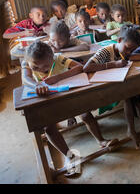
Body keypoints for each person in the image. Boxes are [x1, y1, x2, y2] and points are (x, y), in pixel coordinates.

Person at [22, 41, 117, 177]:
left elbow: (80, 68)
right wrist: (36, 85)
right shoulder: (26, 63)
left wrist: (57, 77)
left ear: (52, 58)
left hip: (63, 96)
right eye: (35, 66)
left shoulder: (58, 58)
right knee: (49, 128)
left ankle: (101, 140)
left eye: (46, 67)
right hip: (44, 101)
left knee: (85, 114)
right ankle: (70, 156)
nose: (42, 70)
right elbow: (25, 78)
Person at [83, 25, 140, 148]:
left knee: (129, 95)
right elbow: (87, 68)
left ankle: (131, 130)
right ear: (119, 40)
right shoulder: (106, 51)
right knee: (128, 95)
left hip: (116, 86)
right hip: (100, 89)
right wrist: (113, 64)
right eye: (127, 48)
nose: (129, 52)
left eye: (132, 50)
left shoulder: (124, 52)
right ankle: (102, 140)